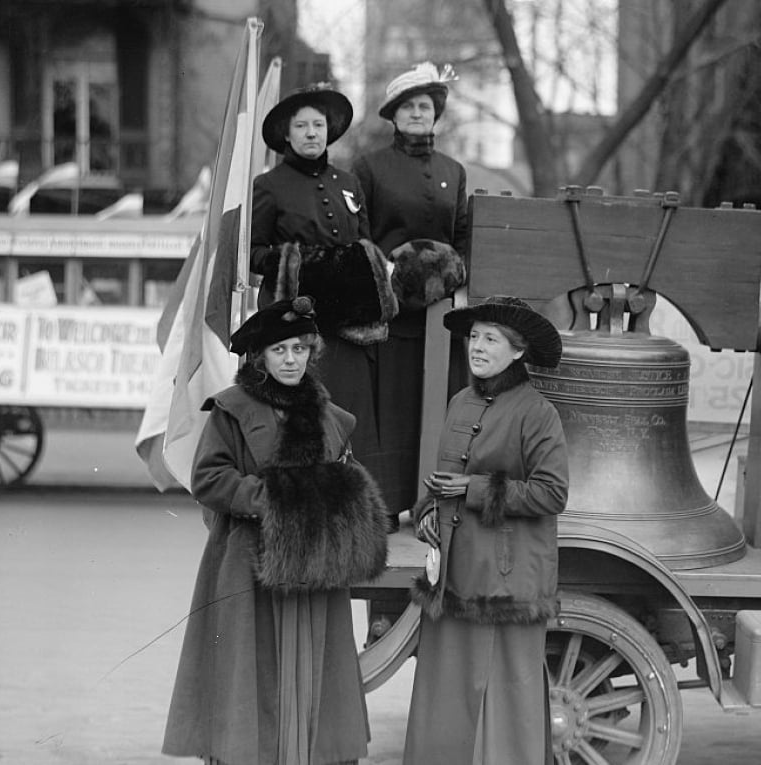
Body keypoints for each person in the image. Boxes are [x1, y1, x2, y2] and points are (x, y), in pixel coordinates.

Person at [162, 296, 390, 765]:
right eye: (279, 350)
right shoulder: (232, 410)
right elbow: (209, 478)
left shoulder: (331, 418)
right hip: (248, 564)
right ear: (260, 357)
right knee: (252, 667)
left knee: (314, 668)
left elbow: (349, 481)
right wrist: (271, 499)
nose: (291, 360)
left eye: (299, 349)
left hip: (316, 569)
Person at [402, 295, 569, 765]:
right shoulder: (460, 401)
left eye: (491, 339)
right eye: (474, 337)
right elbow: (443, 479)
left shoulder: (537, 412)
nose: (477, 347)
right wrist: (428, 512)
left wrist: (475, 489)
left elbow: (552, 493)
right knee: (447, 695)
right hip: (454, 574)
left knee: (504, 699)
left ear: (518, 351)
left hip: (506, 581)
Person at [250, 83, 397, 508]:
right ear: (287, 134)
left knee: (349, 416)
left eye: (318, 125)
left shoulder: (348, 183)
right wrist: (300, 264)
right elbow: (253, 252)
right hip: (294, 327)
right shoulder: (269, 185)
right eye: (302, 126)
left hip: (347, 328)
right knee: (302, 420)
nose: (312, 133)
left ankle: (353, 508)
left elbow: (366, 246)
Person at [351, 62, 469, 532]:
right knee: (391, 407)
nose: (418, 113)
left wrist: (455, 279)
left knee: (438, 406)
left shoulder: (453, 172)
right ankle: (384, 502)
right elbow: (361, 235)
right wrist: (389, 276)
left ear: (436, 114)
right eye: (408, 107)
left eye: (425, 106)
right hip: (391, 312)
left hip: (441, 318)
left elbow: (464, 237)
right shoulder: (369, 168)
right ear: (393, 116)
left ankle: (433, 504)